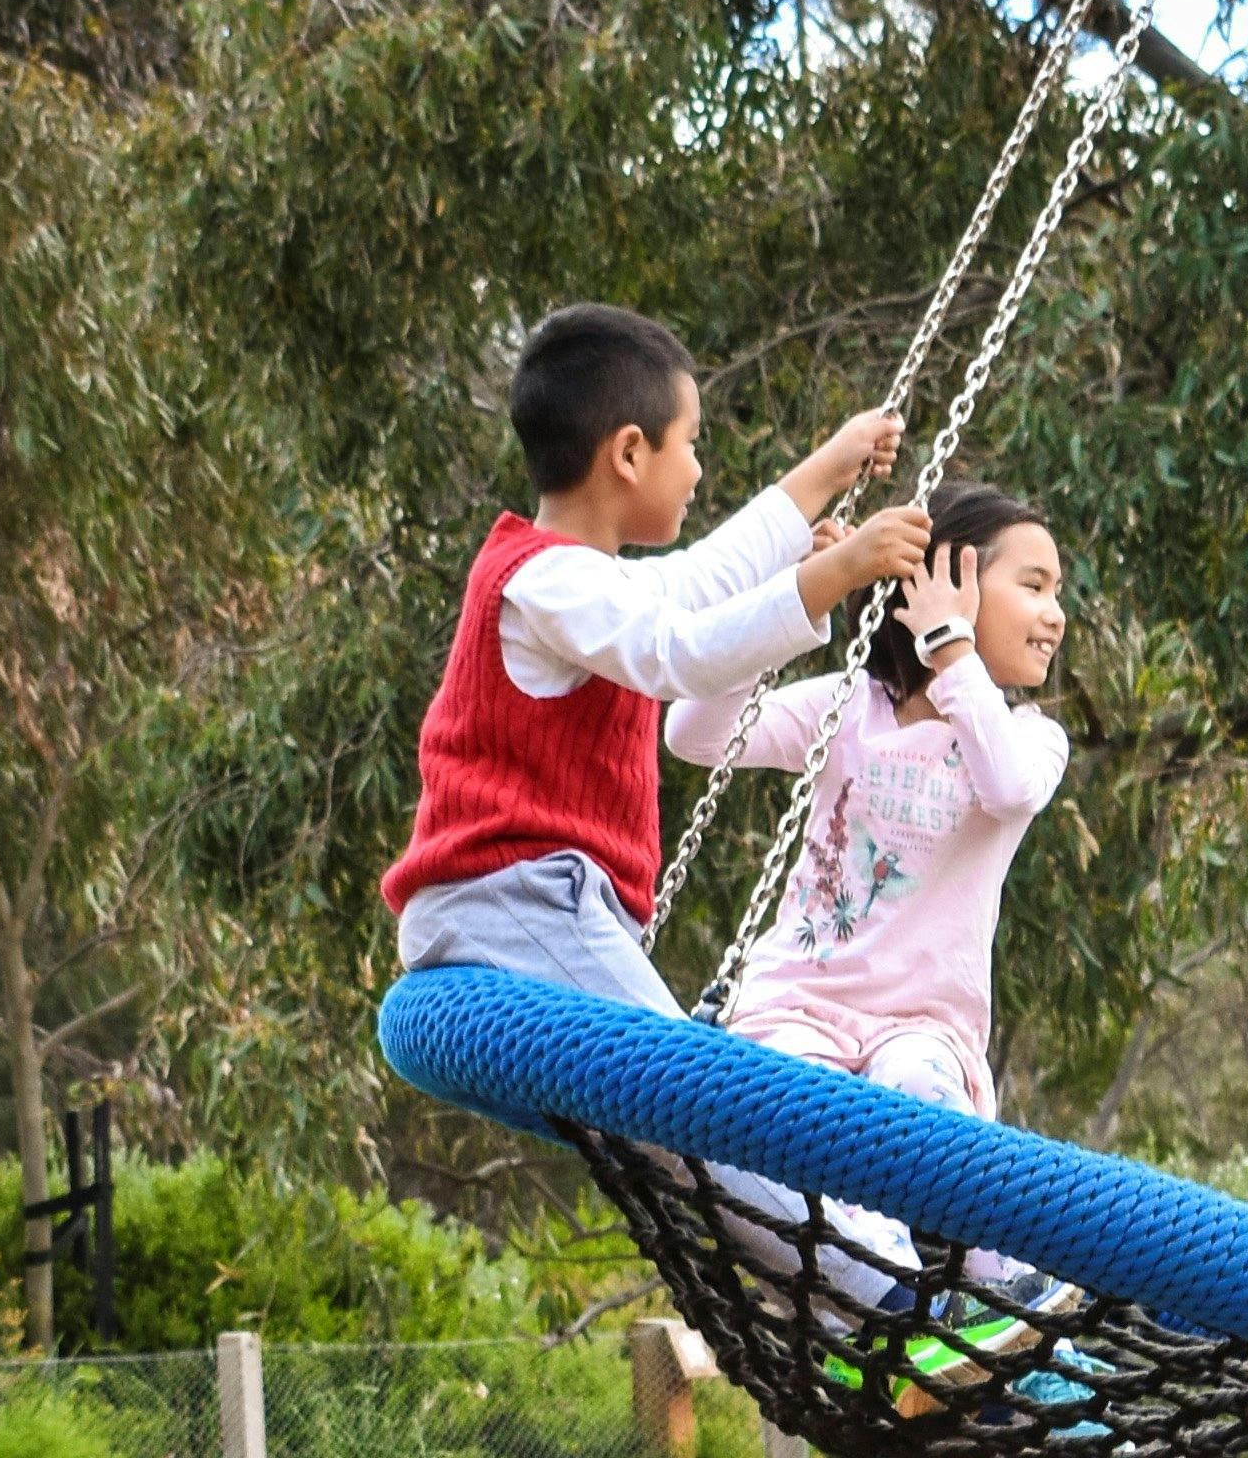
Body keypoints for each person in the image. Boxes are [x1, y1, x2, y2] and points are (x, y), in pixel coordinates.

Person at [380, 303, 930, 1008]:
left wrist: (827, 468)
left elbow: (705, 578)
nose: (699, 471)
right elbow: (685, 654)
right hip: (506, 897)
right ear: (631, 453)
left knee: (664, 1096)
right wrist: (839, 572)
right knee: (688, 1091)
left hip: (548, 906)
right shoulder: (546, 581)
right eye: (692, 445)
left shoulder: (589, 584)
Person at [663, 483, 1076, 1133]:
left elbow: (1008, 789)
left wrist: (953, 651)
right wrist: (797, 596)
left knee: (924, 1126)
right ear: (947, 577)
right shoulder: (851, 705)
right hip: (793, 1009)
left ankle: (918, 1239)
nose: (1056, 614)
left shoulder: (1030, 737)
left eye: (1057, 593)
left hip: (922, 1033)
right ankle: (848, 1234)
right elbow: (694, 734)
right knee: (790, 1112)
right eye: (1034, 586)